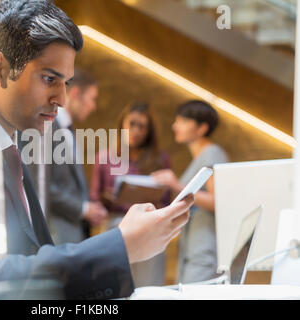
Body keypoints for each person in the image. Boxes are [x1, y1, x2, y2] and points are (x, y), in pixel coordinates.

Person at [0, 0, 194, 299]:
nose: (62, 98)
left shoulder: (12, 147)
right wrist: (119, 246)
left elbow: (36, 262)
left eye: (66, 83)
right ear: (0, 69)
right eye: (49, 79)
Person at [90, 101, 171, 287]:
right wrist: (106, 197)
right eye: (131, 124)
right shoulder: (104, 158)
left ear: (148, 131)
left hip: (150, 227)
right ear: (122, 124)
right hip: (115, 228)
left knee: (148, 288)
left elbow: (167, 201)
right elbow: (94, 199)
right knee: (113, 287)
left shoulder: (160, 160)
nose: (135, 130)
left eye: (142, 126)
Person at [152, 100, 228, 284]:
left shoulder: (212, 153)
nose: (175, 125)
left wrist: (176, 185)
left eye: (183, 121)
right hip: (194, 245)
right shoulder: (201, 157)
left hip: (204, 245)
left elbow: (219, 201)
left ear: (202, 128)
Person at [47, 69, 108, 245]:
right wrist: (83, 209)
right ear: (75, 93)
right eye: (92, 98)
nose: (93, 106)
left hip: (75, 235)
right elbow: (41, 185)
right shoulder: (46, 126)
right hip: (57, 235)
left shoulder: (70, 130)